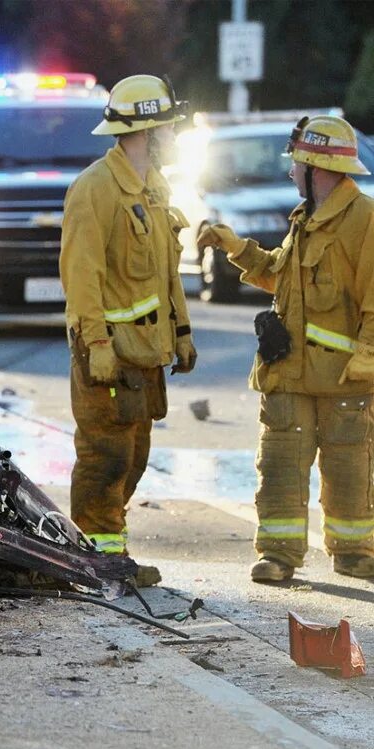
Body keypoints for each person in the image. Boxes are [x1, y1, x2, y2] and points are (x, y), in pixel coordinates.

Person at [198, 116, 374, 581]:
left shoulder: (365, 220)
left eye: (295, 163)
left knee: (350, 467)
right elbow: (281, 275)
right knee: (280, 464)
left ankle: (354, 553)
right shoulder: (306, 220)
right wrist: (236, 248)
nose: (290, 171)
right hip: (290, 372)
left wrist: (368, 357)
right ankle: (278, 555)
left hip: (343, 378)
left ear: (316, 166)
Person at [59, 75, 196, 586]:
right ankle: (97, 562)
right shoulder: (95, 189)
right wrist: (95, 343)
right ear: (147, 131)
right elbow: (82, 275)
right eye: (168, 128)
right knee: (105, 458)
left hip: (144, 356)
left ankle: (106, 555)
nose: (174, 137)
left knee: (134, 457)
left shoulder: (153, 191)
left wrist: (181, 332)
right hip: (108, 356)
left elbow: (167, 273)